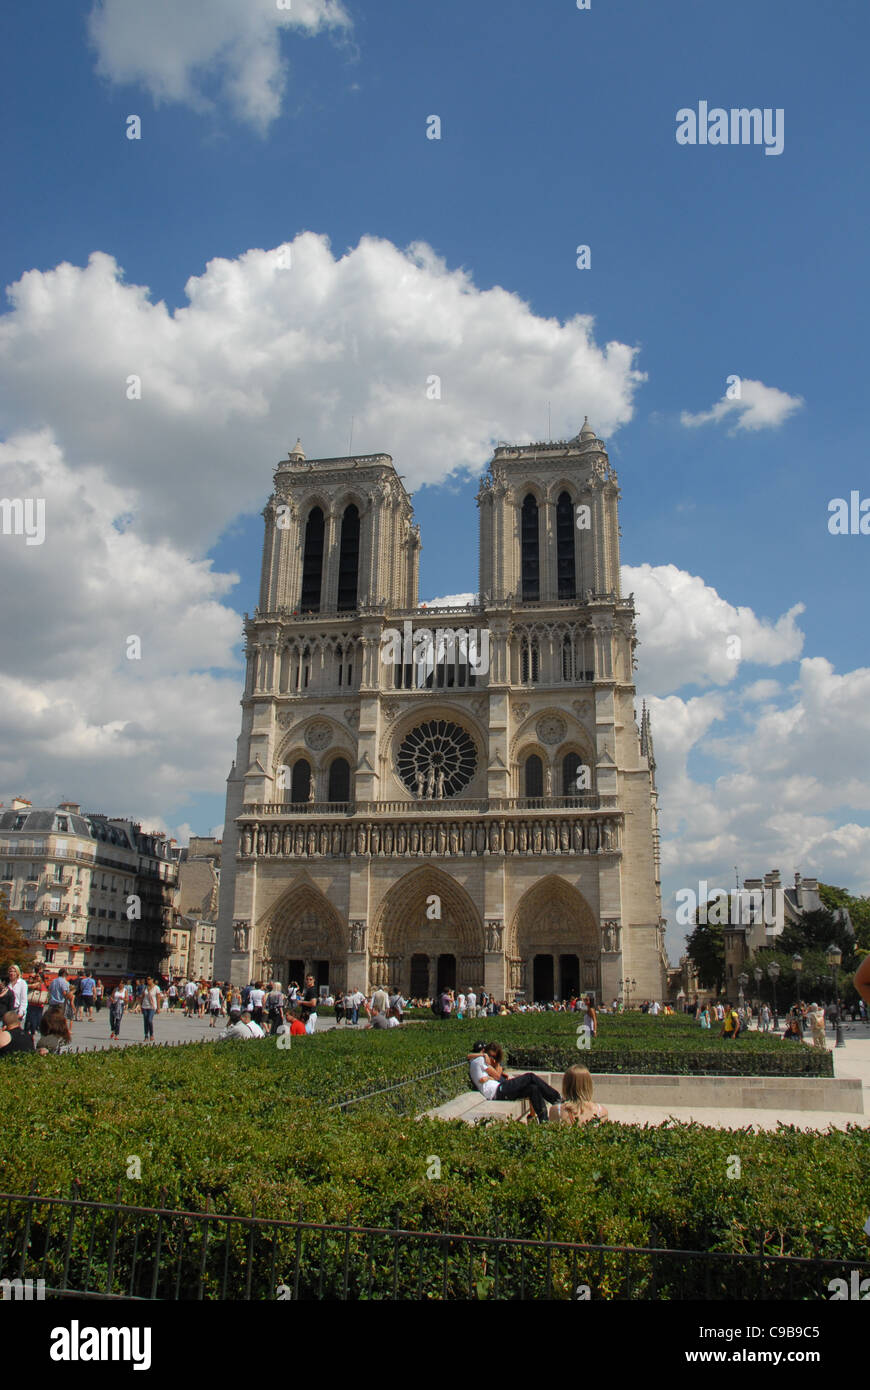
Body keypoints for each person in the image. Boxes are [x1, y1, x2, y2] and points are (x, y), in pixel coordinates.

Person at [468, 1042, 561, 1123]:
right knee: (530, 1077)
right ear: (482, 1051)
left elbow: (469, 1056)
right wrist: (485, 1057)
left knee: (533, 1089)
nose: (490, 1057)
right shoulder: (479, 1060)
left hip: (500, 1089)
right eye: (488, 1054)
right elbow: (497, 1076)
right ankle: (556, 1099)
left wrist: (488, 1075)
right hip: (498, 1091)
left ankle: (544, 1120)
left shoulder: (477, 1060)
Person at [25, 971, 49, 1036]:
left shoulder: (38, 984)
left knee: (33, 1020)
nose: (36, 977)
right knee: (35, 1020)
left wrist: (23, 985)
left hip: (35, 1004)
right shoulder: (43, 984)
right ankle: (34, 1030)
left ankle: (33, 1031)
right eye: (36, 976)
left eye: (37, 976)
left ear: (41, 977)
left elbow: (31, 986)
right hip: (37, 1004)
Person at [141, 977, 162, 1042]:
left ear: (152, 980)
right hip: (145, 1006)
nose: (148, 980)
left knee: (149, 1020)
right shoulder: (145, 988)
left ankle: (151, 1034)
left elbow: (158, 998)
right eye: (147, 979)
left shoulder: (156, 988)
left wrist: (158, 1008)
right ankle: (146, 1035)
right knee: (145, 1021)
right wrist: (140, 1006)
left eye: (149, 979)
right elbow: (142, 997)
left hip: (152, 1007)